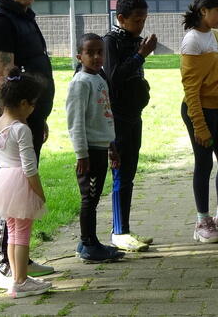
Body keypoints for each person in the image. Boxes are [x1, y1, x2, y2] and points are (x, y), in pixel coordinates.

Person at [0, 0, 56, 288]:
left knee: (20, 194)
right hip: (11, 121)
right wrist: (17, 121)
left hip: (27, 117)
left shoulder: (22, 16)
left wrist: (39, 118)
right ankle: (3, 265)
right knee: (9, 191)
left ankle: (19, 261)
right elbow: (4, 77)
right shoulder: (0, 20)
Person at [0, 67, 51, 298]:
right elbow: (30, 167)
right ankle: (20, 281)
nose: (33, 109)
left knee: (12, 231)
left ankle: (17, 278)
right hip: (20, 183)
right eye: (33, 104)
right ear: (23, 103)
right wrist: (39, 193)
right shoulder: (21, 129)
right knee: (22, 234)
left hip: (3, 180)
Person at [180, 0, 218, 244]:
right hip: (199, 111)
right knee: (204, 164)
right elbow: (191, 89)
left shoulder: (213, 36)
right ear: (203, 10)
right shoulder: (192, 41)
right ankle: (202, 222)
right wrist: (200, 126)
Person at [103, 0, 157, 252]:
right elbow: (113, 78)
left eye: (144, 19)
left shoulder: (134, 40)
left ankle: (124, 227)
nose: (141, 24)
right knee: (120, 173)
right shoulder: (110, 41)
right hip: (118, 117)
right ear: (121, 18)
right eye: (137, 20)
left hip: (135, 115)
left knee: (129, 174)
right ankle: (119, 232)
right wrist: (140, 55)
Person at [66, 34, 126, 263]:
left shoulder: (99, 78)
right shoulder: (80, 82)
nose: (96, 57)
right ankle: (89, 245)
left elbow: (105, 117)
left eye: (100, 52)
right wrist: (82, 154)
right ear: (79, 56)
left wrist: (112, 147)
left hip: (101, 148)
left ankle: (86, 242)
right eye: (90, 53)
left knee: (95, 197)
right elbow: (75, 122)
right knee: (89, 199)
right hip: (89, 151)